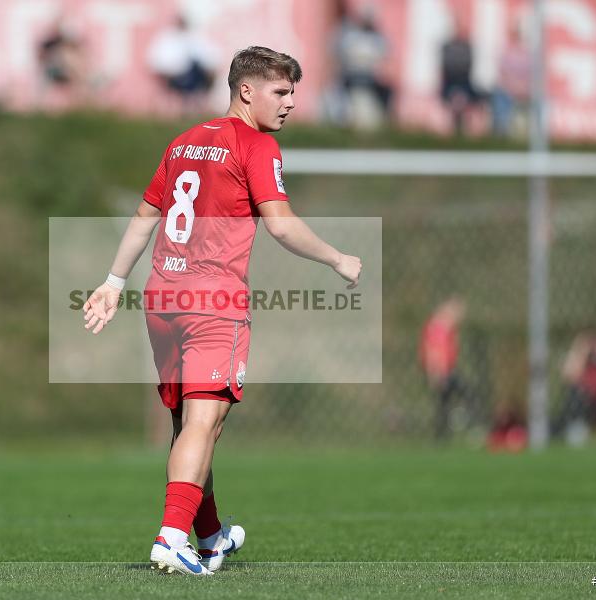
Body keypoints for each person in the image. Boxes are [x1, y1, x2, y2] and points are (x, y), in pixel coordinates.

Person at [82, 46, 361, 575]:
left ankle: (208, 537)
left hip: (163, 298)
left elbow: (146, 218)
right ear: (246, 90)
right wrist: (336, 258)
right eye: (281, 92)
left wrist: (114, 282)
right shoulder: (256, 146)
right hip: (213, 302)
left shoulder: (185, 141)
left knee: (192, 426)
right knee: (204, 424)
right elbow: (280, 224)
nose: (291, 103)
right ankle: (170, 539)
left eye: (293, 92)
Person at [419, 297, 476, 439]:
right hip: (442, 373)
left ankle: (442, 434)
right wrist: (435, 373)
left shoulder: (446, 328)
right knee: (466, 394)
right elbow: (433, 352)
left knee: (444, 403)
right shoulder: (438, 327)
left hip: (446, 371)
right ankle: (460, 421)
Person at [332, 4, 394, 128]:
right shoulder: (350, 36)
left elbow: (384, 58)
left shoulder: (376, 38)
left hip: (369, 81)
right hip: (351, 80)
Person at [146, 15, 219, 114]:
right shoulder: (167, 38)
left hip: (194, 73)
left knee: (197, 71)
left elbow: (207, 56)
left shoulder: (194, 37)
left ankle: (195, 105)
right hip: (174, 76)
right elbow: (157, 61)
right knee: (192, 73)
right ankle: (192, 106)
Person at [440, 21, 482, 136]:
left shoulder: (467, 47)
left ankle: (465, 131)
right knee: (456, 97)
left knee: (466, 97)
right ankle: (454, 131)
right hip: (450, 82)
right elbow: (447, 66)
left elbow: (467, 66)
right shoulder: (447, 46)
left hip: (464, 82)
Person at [491, 25, 531, 137]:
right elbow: (503, 74)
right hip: (508, 88)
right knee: (499, 94)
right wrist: (513, 86)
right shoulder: (505, 51)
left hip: (524, 90)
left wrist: (523, 87)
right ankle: (502, 131)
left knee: (539, 98)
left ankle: (529, 133)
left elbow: (532, 74)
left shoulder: (526, 52)